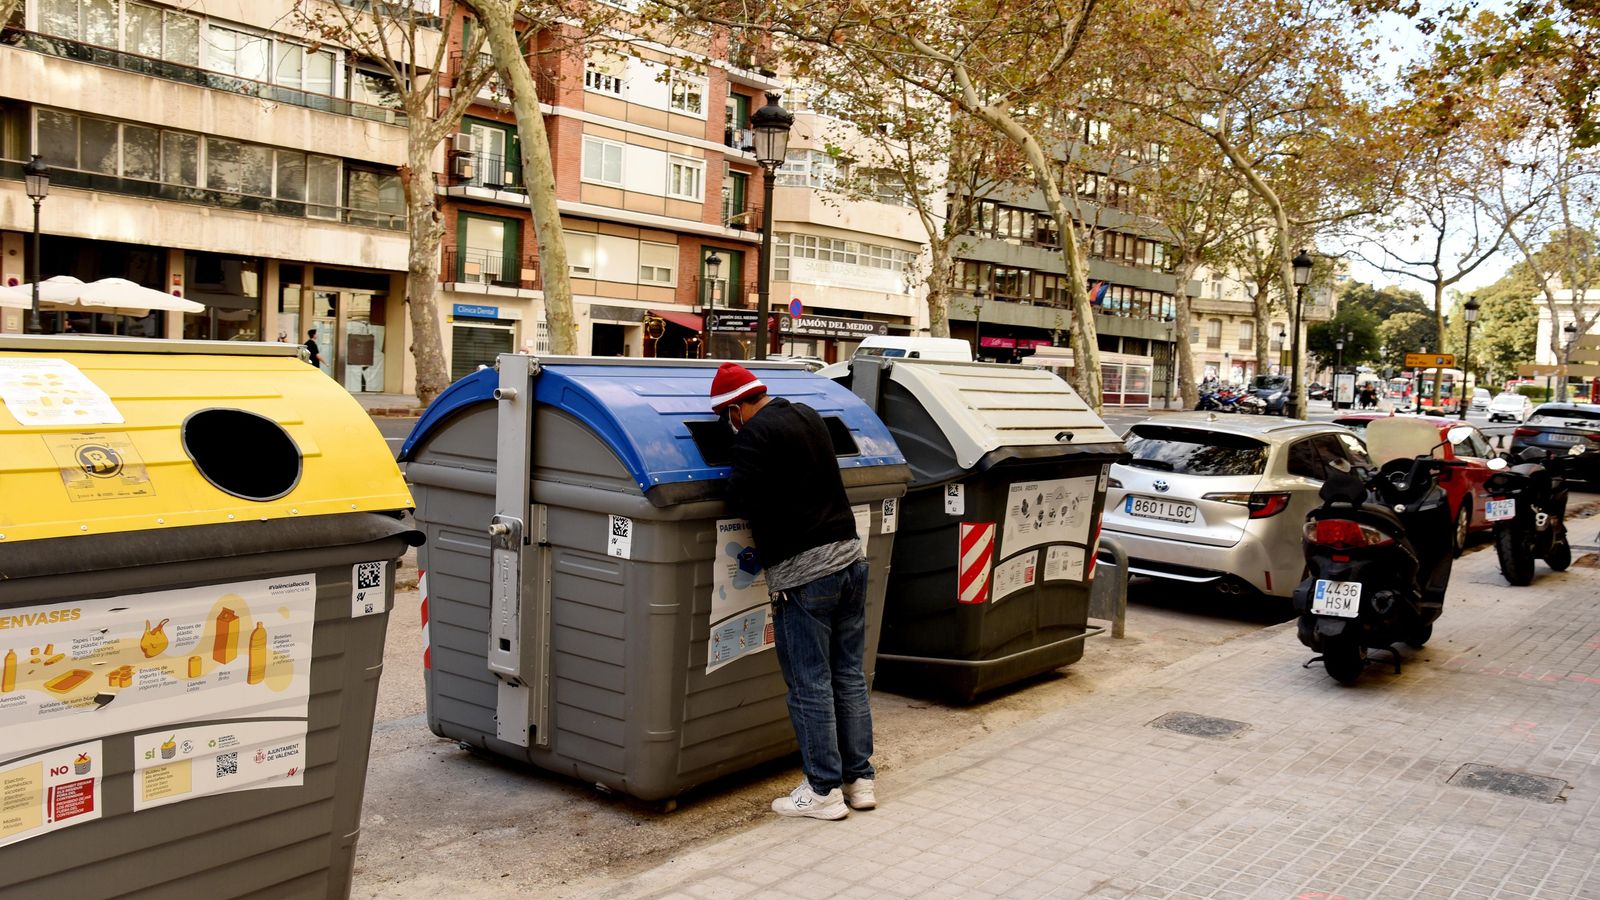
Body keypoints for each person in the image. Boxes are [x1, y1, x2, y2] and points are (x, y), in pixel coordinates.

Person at [714, 362, 875, 821]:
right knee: (848, 675)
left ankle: (822, 790)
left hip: (804, 575)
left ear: (736, 408)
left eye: (729, 414)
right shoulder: (807, 414)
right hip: (849, 560)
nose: (731, 422)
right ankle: (858, 780)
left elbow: (739, 497)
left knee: (810, 683)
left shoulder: (751, 437)